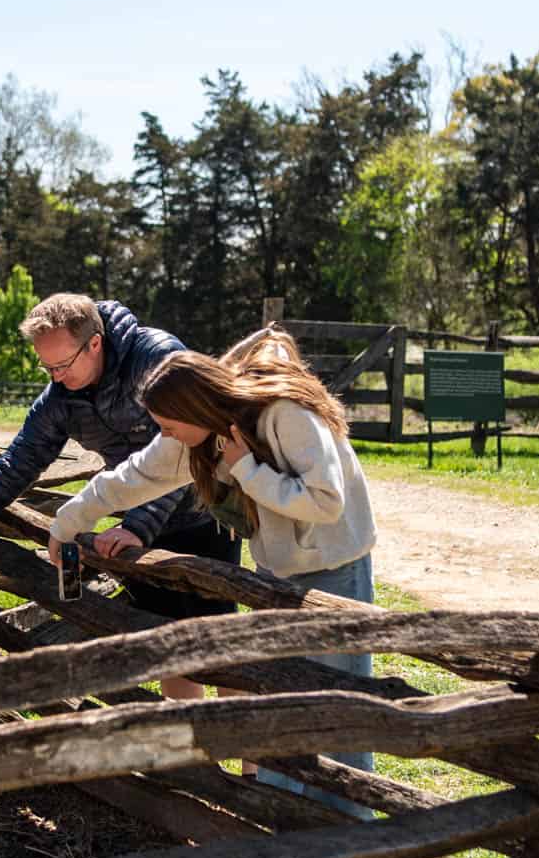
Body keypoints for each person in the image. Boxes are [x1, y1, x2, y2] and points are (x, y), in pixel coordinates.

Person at [46, 329, 378, 816]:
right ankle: (284, 815)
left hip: (333, 570)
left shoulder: (285, 414)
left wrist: (246, 470)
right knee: (276, 694)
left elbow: (325, 501)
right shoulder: (197, 435)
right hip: (276, 572)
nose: (166, 435)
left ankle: (348, 826)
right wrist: (68, 523)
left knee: (337, 703)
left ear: (193, 407)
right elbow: (134, 477)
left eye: (167, 424)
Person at [0, 292, 242, 700]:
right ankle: (191, 759)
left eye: (62, 364)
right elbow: (16, 465)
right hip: (137, 529)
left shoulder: (157, 360)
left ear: (94, 343)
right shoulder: (62, 396)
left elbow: (183, 456)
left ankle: (250, 764)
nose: (55, 377)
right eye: (47, 367)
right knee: (169, 642)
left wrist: (138, 525)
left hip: (203, 515)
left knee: (221, 644)